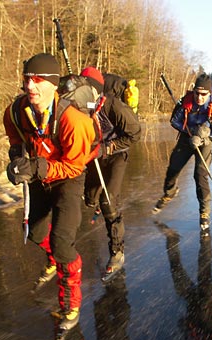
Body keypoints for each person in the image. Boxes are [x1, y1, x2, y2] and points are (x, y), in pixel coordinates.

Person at [3, 53, 96, 334]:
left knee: (62, 244)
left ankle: (71, 305)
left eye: (38, 80)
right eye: (27, 79)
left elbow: (74, 164)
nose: (30, 86)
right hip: (38, 172)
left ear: (53, 85)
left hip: (68, 177)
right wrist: (16, 162)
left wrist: (38, 167)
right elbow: (17, 140)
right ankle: (54, 260)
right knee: (35, 232)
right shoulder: (15, 111)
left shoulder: (73, 120)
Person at [80, 68, 142, 282]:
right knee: (89, 199)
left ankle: (117, 251)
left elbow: (135, 133)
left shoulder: (112, 105)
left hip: (116, 154)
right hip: (94, 154)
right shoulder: (78, 104)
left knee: (109, 201)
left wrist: (109, 147)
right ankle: (97, 202)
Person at [153, 73, 212, 231]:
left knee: (200, 175)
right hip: (186, 139)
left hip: (205, 143)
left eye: (203, 94)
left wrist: (206, 137)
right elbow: (174, 121)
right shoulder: (185, 102)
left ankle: (204, 212)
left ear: (209, 93)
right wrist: (190, 131)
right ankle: (170, 192)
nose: (199, 97)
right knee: (173, 168)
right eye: (197, 93)